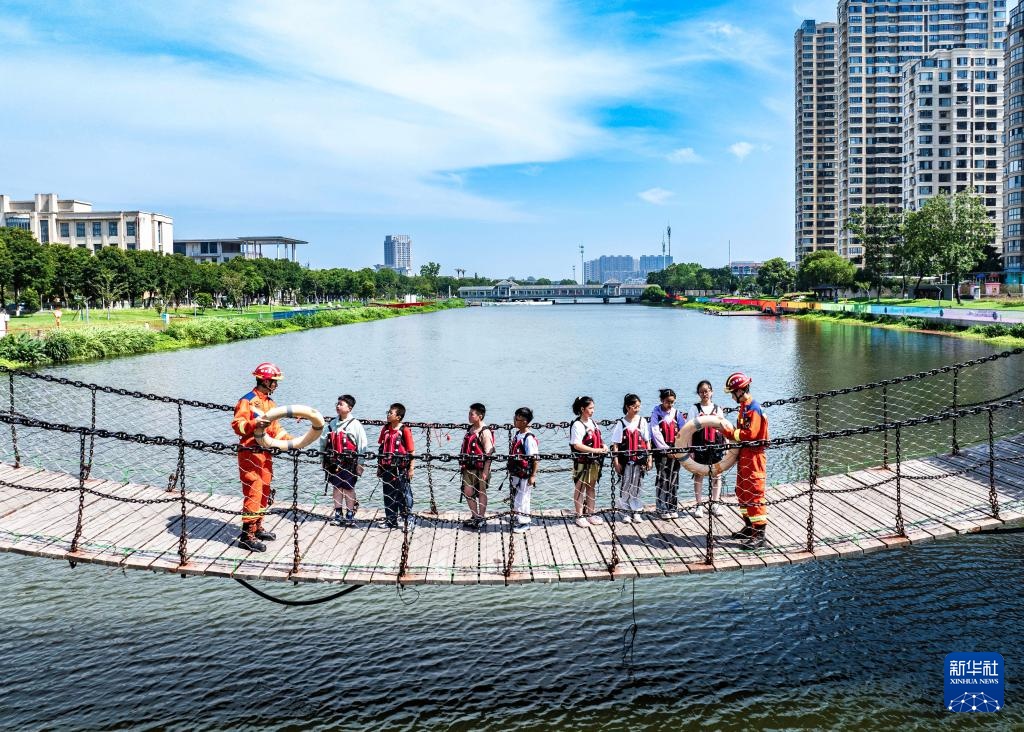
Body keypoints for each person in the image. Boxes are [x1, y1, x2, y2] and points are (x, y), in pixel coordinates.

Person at [231, 362, 292, 552]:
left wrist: (292, 442)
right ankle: (246, 535)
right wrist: (253, 423)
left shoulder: (270, 404)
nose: (276, 384)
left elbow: (276, 430)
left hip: (265, 453)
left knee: (265, 488)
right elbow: (238, 426)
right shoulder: (247, 401)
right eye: (274, 381)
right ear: (265, 381)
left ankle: (257, 526)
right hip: (250, 452)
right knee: (254, 490)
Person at [725, 372, 769, 549]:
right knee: (742, 491)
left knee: (754, 493)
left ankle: (760, 536)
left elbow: (750, 434)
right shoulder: (744, 407)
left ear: (740, 391)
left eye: (732, 393)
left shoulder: (753, 408)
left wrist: (730, 433)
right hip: (745, 455)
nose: (732, 397)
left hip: (754, 455)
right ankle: (749, 527)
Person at [319, 394, 368, 527]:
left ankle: (350, 514)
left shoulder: (355, 425)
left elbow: (362, 445)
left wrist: (360, 464)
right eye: (337, 404)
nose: (338, 406)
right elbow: (323, 441)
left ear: (349, 408)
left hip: (350, 463)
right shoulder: (332, 423)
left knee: (349, 488)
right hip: (333, 462)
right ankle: (338, 513)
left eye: (341, 404)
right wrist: (322, 459)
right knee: (336, 487)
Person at [610, 393, 653, 523]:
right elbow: (615, 444)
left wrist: (649, 458)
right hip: (625, 461)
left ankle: (636, 511)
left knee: (637, 485)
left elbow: (647, 441)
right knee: (625, 485)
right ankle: (625, 511)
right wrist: (616, 462)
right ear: (628, 407)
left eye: (639, 406)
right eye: (635, 407)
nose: (637, 409)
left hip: (639, 460)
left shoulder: (642, 421)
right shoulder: (621, 423)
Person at [569, 396, 609, 528]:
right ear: (582, 409)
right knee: (580, 488)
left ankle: (591, 514)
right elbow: (576, 445)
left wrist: (603, 446)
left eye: (593, 408)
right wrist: (595, 450)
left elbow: (598, 438)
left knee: (591, 488)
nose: (593, 410)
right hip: (582, 462)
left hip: (594, 461)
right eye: (590, 408)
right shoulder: (577, 425)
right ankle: (579, 516)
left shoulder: (593, 422)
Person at [690, 380, 727, 519]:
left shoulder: (717, 409)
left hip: (716, 446)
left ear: (711, 392)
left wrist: (726, 445)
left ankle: (715, 503)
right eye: (701, 392)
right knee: (699, 475)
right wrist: (690, 449)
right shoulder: (695, 409)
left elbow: (723, 428)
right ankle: (699, 505)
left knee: (717, 475)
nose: (704, 394)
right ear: (698, 393)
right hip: (699, 446)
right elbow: (689, 430)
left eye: (706, 391)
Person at [650, 388, 687, 519]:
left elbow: (684, 430)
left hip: (675, 450)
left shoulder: (677, 414)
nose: (670, 404)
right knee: (663, 478)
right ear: (662, 400)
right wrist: (666, 449)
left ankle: (672, 507)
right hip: (661, 451)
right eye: (667, 402)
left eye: (672, 402)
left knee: (674, 478)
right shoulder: (656, 414)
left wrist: (678, 448)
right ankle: (661, 507)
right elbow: (655, 433)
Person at [377, 403, 415, 529]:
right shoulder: (385, 429)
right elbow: (381, 448)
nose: (388, 415)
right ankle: (391, 520)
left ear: (398, 417)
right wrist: (379, 467)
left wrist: (411, 468)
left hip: (401, 468)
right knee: (388, 494)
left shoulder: (405, 430)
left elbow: (411, 451)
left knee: (404, 494)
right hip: (387, 467)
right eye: (388, 412)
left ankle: (408, 519)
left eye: (391, 413)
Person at [459, 403, 494, 530]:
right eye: (469, 413)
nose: (469, 416)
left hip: (480, 468)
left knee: (481, 492)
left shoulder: (485, 432)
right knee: (467, 491)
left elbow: (489, 453)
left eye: (472, 414)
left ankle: (481, 517)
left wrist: (486, 470)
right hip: (468, 467)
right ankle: (475, 516)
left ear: (480, 416)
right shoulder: (470, 429)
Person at [507, 407, 539, 533]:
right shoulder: (518, 434)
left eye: (517, 419)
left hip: (525, 473)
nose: (514, 421)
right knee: (517, 496)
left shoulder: (528, 438)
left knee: (523, 497)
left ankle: (525, 522)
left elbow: (535, 459)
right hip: (516, 472)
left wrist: (533, 475)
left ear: (525, 421)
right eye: (515, 418)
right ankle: (519, 517)